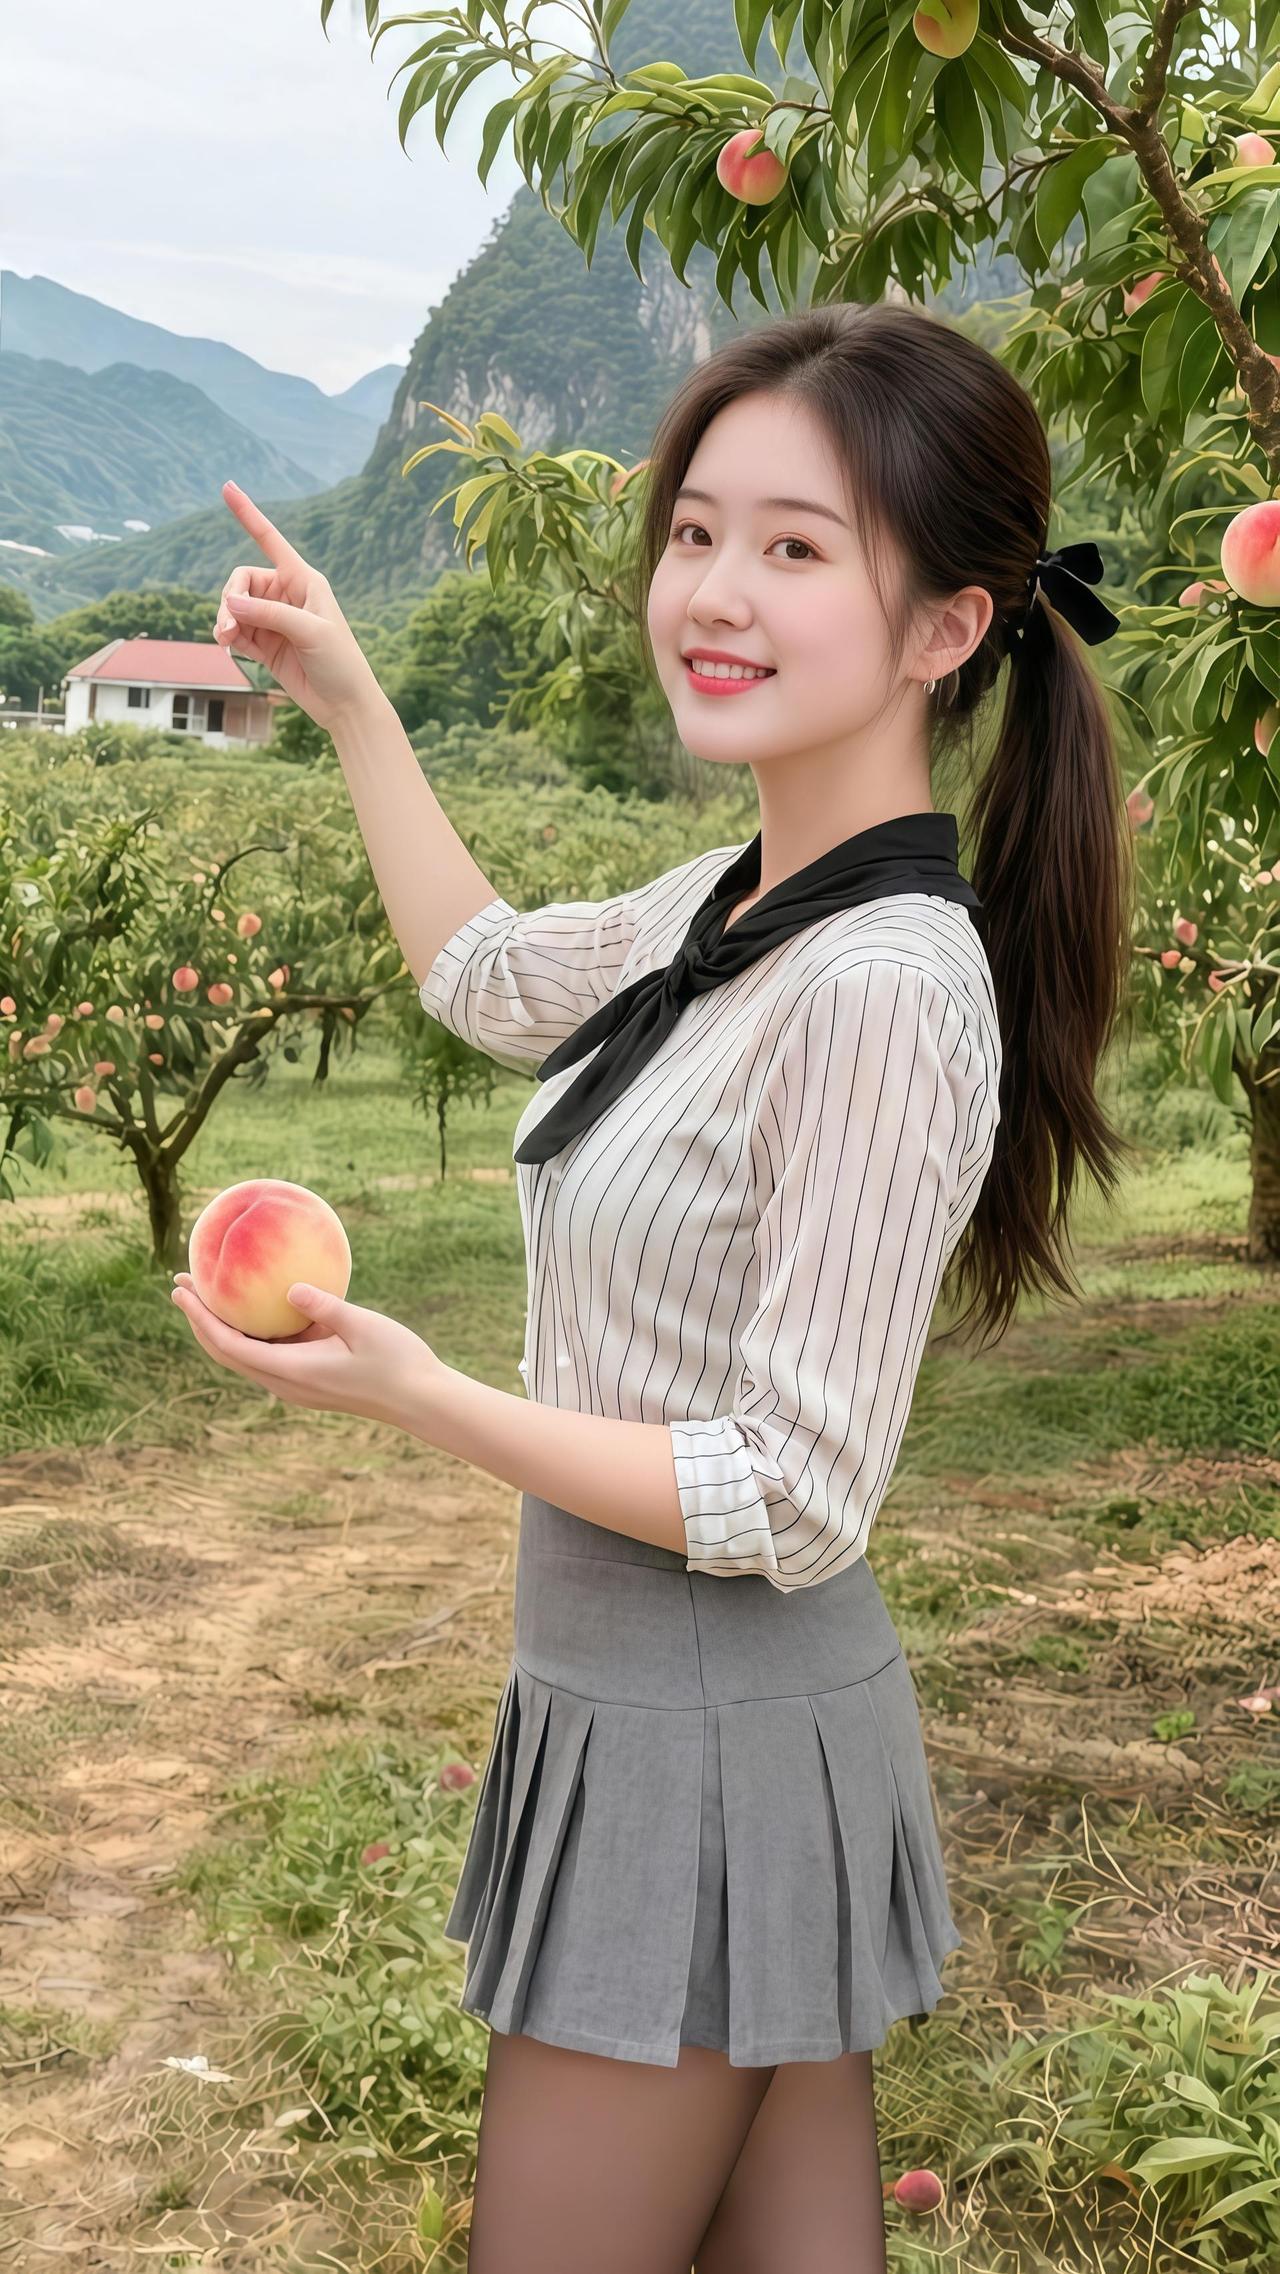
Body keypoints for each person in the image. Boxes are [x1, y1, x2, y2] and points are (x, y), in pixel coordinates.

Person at [208, 298, 1134, 2274]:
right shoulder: (728, 908)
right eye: (698, 531)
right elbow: (485, 976)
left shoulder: (876, 982)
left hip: (703, 1729)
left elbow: (797, 1492)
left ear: (946, 628)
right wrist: (352, 698)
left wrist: (419, 1392)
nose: (712, 590)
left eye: (796, 547)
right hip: (665, 1706)